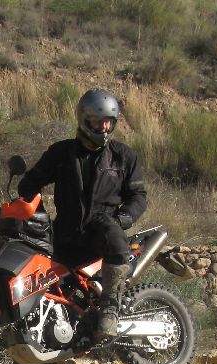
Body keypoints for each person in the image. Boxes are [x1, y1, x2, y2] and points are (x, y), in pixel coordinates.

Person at [17, 88, 147, 338]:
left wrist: (123, 219)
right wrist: (34, 210)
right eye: (98, 122)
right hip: (66, 231)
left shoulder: (124, 157)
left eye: (108, 122)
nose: (104, 128)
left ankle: (110, 308)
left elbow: (138, 196)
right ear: (84, 120)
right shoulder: (61, 153)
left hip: (103, 229)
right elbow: (29, 185)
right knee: (49, 283)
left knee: (113, 236)